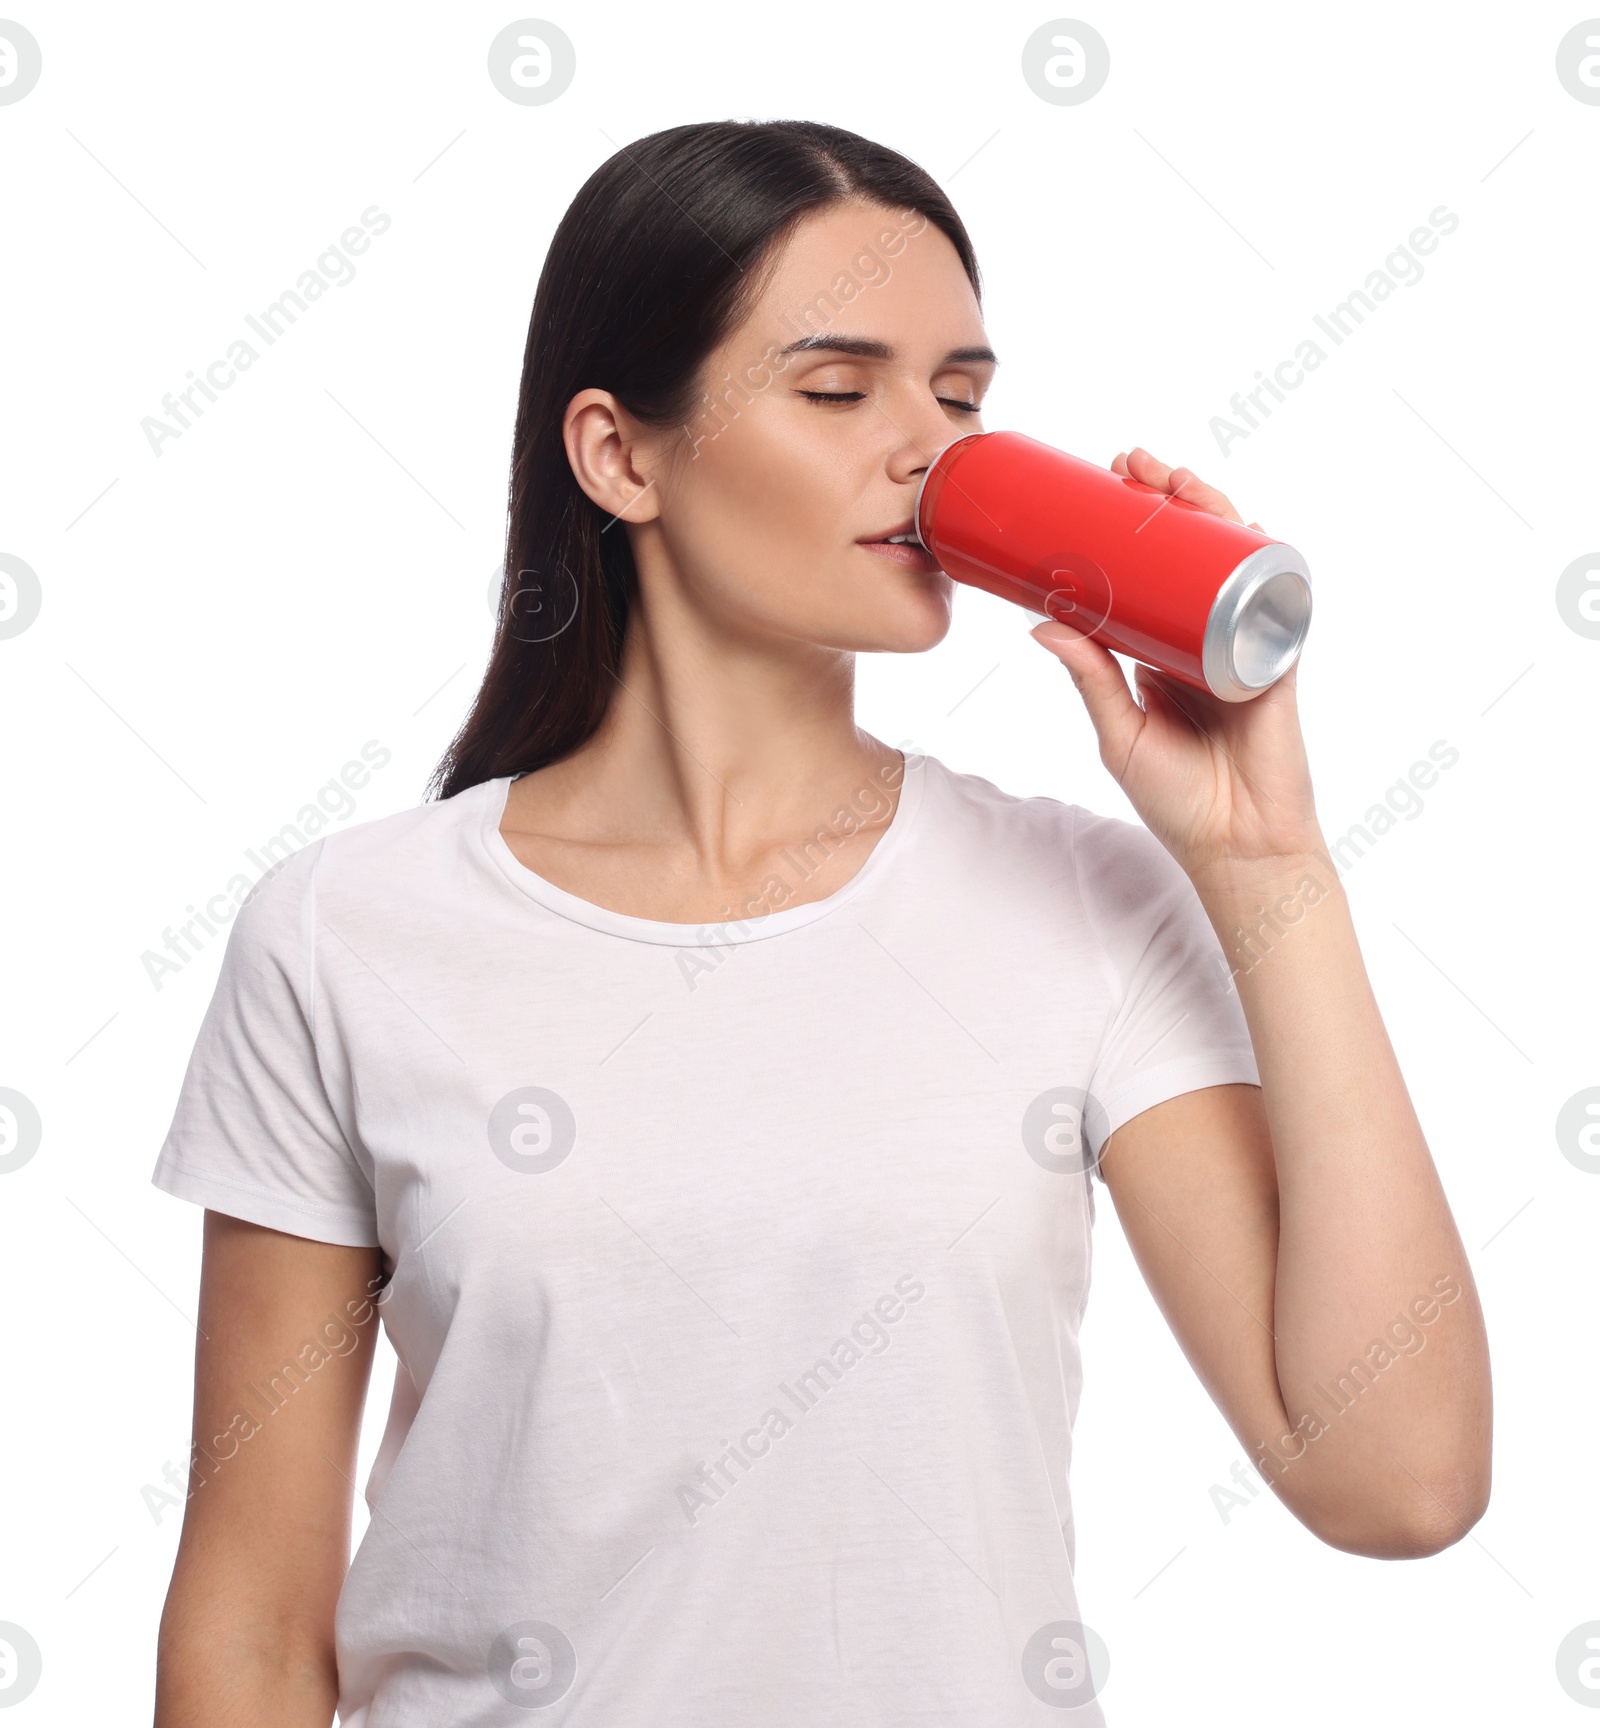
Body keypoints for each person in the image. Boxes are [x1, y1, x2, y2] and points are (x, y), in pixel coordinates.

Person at [150, 119, 1491, 1727]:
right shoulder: (345, 934)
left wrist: (1270, 871)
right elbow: (246, 1626)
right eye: (840, 390)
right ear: (620, 455)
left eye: (964, 396)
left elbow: (1398, 1481)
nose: (931, 451)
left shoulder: (1081, 904)